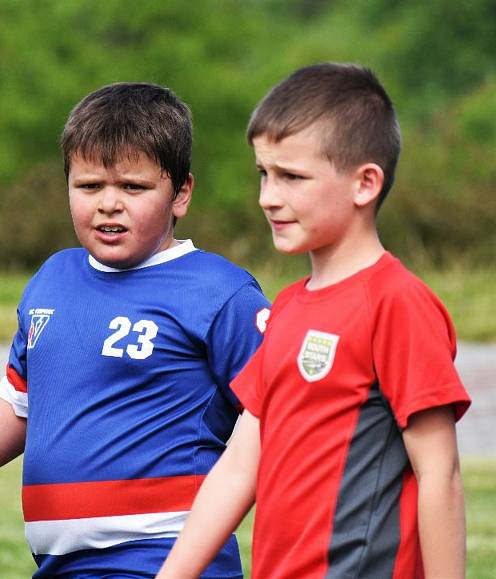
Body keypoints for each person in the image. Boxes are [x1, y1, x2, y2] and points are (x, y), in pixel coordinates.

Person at [157, 63, 472, 579]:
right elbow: (239, 468)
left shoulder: (396, 303)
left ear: (365, 183)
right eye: (264, 173)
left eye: (292, 177)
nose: (268, 197)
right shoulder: (285, 309)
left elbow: (440, 475)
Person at [0, 82, 270, 577]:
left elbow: (277, 418)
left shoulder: (220, 292)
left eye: (133, 187)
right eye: (90, 186)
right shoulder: (51, 280)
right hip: (59, 566)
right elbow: (16, 409)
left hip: (164, 559)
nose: (109, 204)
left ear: (181, 192)